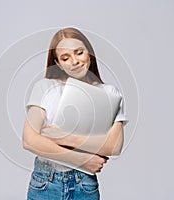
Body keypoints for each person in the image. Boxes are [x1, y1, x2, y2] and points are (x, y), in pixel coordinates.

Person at [23, 27, 128, 200]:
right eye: (65, 58)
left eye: (79, 53)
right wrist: (81, 159)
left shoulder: (110, 93)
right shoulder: (44, 88)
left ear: (89, 53)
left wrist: (65, 137)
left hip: (84, 185)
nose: (75, 61)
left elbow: (114, 145)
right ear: (58, 63)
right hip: (46, 183)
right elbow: (29, 140)